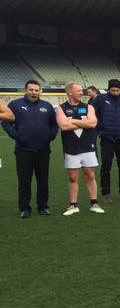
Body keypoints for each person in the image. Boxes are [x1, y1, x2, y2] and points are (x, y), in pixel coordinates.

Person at [3, 79, 57, 218]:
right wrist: (16, 135)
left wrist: (50, 135)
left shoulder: (47, 106)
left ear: (40, 91)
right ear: (25, 90)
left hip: (43, 150)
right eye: (31, 89)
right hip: (23, 150)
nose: (33, 92)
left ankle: (43, 206)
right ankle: (24, 208)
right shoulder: (15, 105)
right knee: (24, 181)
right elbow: (6, 123)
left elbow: (54, 124)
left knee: (43, 180)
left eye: (36, 90)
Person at [54, 81, 103, 215]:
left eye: (82, 90)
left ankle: (94, 203)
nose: (82, 93)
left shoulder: (89, 107)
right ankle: (73, 205)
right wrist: (83, 123)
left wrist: (73, 121)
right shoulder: (61, 108)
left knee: (90, 175)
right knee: (73, 177)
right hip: (71, 148)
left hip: (87, 147)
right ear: (70, 92)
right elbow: (63, 126)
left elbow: (93, 123)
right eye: (79, 91)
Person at [93, 78, 120, 203]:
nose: (115, 92)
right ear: (109, 89)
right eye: (113, 90)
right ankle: (105, 193)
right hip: (107, 138)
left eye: (118, 90)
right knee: (106, 167)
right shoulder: (100, 99)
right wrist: (100, 126)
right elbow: (92, 113)